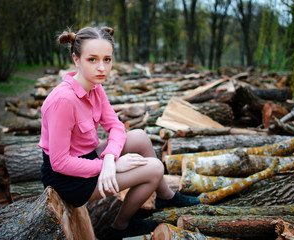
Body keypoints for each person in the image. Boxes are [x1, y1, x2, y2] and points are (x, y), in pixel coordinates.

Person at [38, 26, 200, 239]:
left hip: (87, 156)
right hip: (67, 180)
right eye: (92, 59)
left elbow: (115, 126)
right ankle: (120, 227)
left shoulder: (95, 87)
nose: (101, 67)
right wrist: (108, 165)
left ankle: (165, 196)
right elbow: (59, 163)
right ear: (76, 59)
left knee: (141, 137)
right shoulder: (63, 101)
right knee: (154, 168)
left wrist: (109, 158)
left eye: (107, 59)